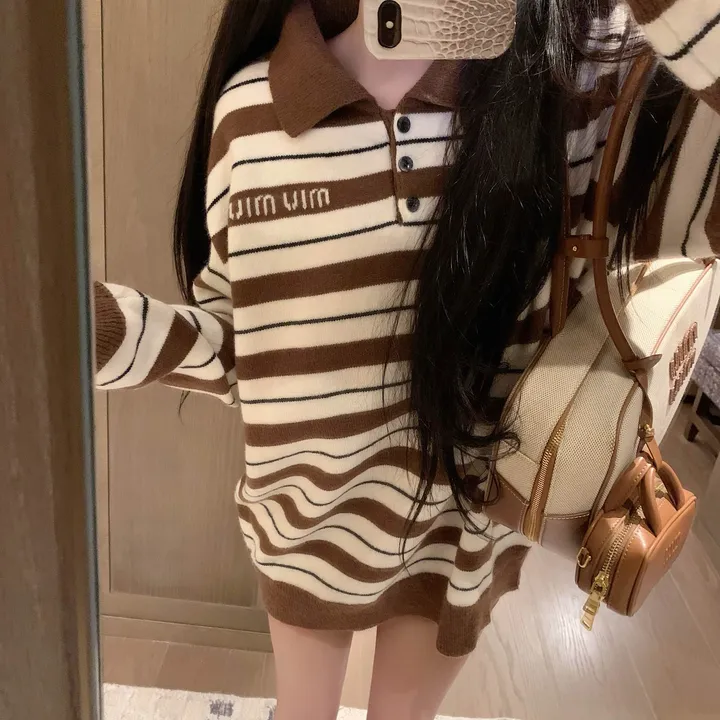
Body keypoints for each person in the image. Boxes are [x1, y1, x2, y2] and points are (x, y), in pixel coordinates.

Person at [93, 0, 720, 718]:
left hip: (461, 532)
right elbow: (244, 346)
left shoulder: (574, 78)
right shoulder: (252, 112)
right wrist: (99, 332)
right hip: (306, 526)